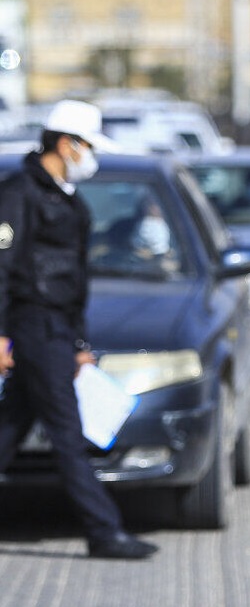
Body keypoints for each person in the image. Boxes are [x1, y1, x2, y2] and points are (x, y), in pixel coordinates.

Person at [0, 100, 159, 560]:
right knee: (68, 435)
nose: (92, 157)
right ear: (67, 144)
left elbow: (72, 283)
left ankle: (104, 530)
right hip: (32, 328)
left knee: (10, 429)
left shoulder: (64, 198)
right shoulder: (19, 193)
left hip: (56, 330)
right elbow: (2, 267)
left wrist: (79, 344)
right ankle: (104, 531)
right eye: (89, 146)